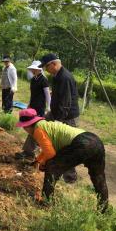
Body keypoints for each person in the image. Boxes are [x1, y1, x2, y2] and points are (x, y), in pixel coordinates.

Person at [16, 108, 108, 213]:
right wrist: (38, 160)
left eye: (24, 127)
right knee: (99, 178)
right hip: (95, 141)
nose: (24, 129)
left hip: (82, 144)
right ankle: (103, 210)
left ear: (27, 125)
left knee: (52, 166)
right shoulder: (45, 125)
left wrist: (43, 163)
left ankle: (46, 201)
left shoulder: (38, 130)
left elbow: (50, 154)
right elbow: (48, 149)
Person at [18, 54, 80, 183]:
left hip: (67, 116)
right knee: (35, 125)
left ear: (54, 64)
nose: (46, 70)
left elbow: (66, 102)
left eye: (46, 67)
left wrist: (58, 122)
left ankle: (70, 177)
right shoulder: (57, 76)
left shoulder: (64, 77)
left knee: (66, 145)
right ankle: (29, 152)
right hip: (55, 112)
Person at [15, 61, 51, 160]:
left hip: (40, 108)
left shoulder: (43, 80)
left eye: (33, 69)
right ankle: (32, 150)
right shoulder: (33, 80)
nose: (31, 70)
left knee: (36, 128)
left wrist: (48, 107)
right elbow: (32, 94)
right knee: (31, 128)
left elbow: (47, 95)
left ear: (38, 69)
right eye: (31, 69)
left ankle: (32, 151)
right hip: (33, 107)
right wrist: (29, 104)